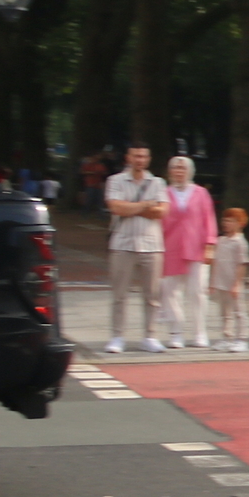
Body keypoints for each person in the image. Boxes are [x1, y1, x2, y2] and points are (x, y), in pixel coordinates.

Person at [103, 144, 169, 353]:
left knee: (152, 295)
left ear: (148, 159)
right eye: (135, 156)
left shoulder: (157, 182)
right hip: (123, 242)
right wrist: (145, 205)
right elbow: (115, 207)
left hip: (151, 244)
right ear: (128, 158)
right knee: (119, 294)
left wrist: (131, 207)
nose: (139, 160)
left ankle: (150, 335)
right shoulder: (115, 180)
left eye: (143, 156)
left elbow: (161, 212)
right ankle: (117, 336)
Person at [156, 154, 219, 348]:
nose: (179, 171)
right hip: (170, 247)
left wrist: (210, 245)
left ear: (190, 171)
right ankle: (176, 332)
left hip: (197, 248)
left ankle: (200, 332)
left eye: (183, 168)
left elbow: (209, 219)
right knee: (171, 291)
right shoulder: (163, 193)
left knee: (198, 291)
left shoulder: (201, 193)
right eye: (175, 168)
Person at [211, 206, 249, 351]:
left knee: (238, 312)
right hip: (221, 282)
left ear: (240, 223)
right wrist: (212, 282)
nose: (226, 224)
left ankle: (242, 338)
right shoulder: (221, 240)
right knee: (224, 312)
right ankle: (226, 337)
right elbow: (216, 262)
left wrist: (237, 284)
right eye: (225, 220)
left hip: (233, 283)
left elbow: (242, 264)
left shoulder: (240, 243)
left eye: (231, 221)